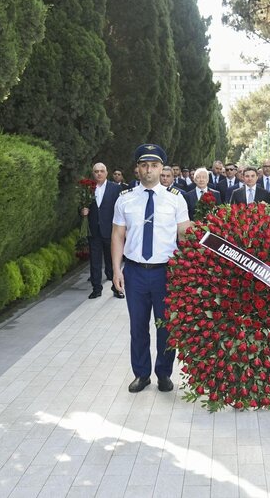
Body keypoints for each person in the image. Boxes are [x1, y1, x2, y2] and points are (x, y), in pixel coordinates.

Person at [112, 144, 191, 393]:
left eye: (154, 165)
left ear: (162, 169)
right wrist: (116, 270)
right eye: (144, 165)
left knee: (166, 326)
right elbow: (117, 236)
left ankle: (164, 373)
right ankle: (142, 374)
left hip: (166, 272)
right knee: (138, 325)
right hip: (135, 271)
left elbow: (185, 234)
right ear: (137, 168)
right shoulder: (125, 199)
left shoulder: (176, 200)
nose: (149, 170)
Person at [82, 163, 124, 300]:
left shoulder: (115, 189)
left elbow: (120, 209)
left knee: (112, 260)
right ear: (93, 173)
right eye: (96, 171)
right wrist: (82, 211)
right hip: (94, 231)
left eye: (101, 171)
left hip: (110, 230)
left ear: (106, 173)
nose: (99, 174)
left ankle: (116, 288)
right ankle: (96, 288)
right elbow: (81, 206)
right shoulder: (88, 189)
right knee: (95, 261)